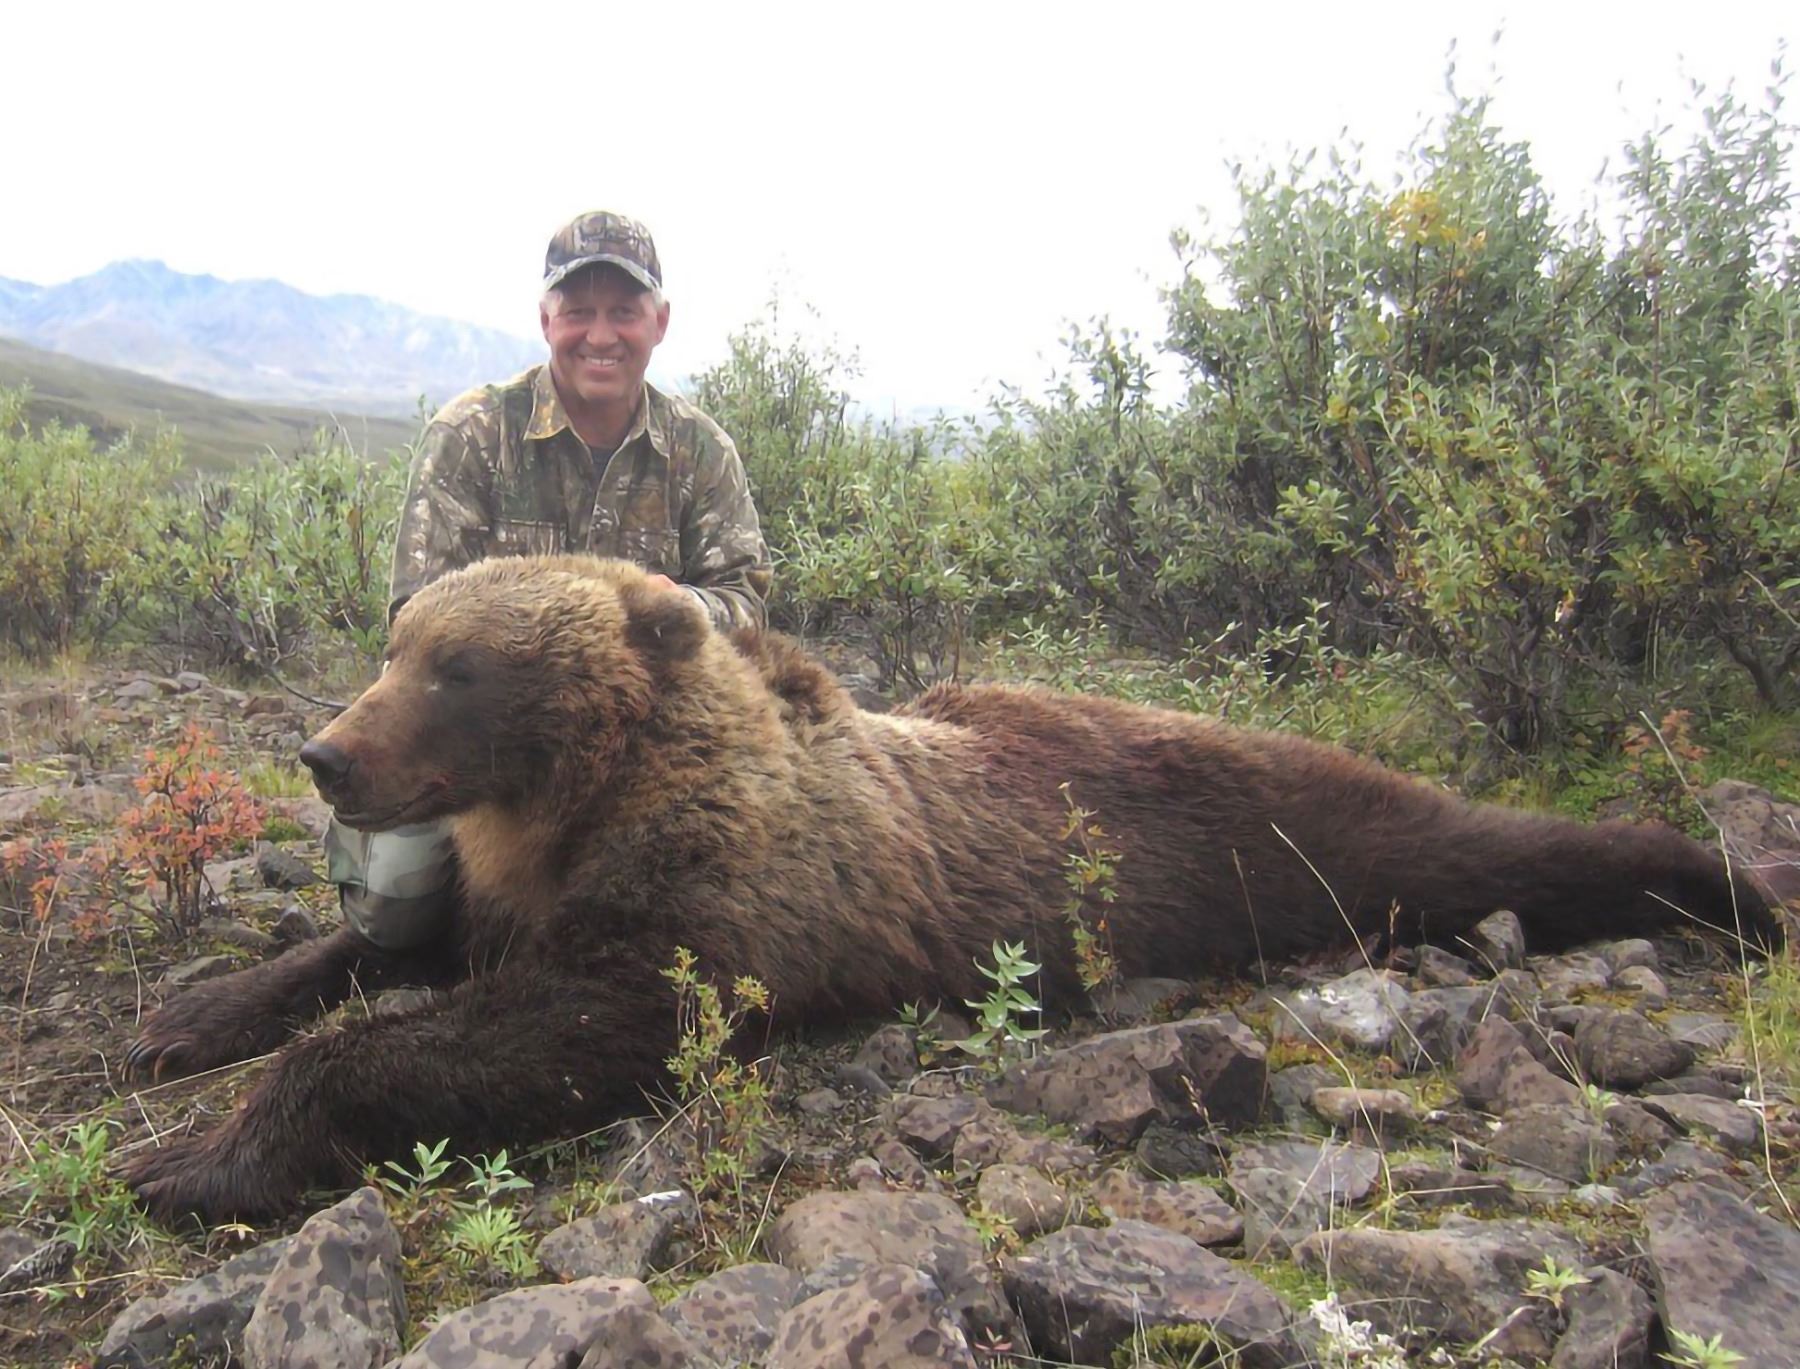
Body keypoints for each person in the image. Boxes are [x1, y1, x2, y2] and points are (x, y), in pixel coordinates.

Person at [324, 210, 773, 947]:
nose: (601, 335)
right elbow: (417, 615)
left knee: (660, 917)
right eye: (578, 312)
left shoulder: (700, 449)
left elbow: (745, 600)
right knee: (397, 918)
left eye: (623, 312)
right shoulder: (474, 433)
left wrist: (684, 606)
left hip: (641, 748)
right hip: (474, 732)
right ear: (545, 319)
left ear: (659, 323)